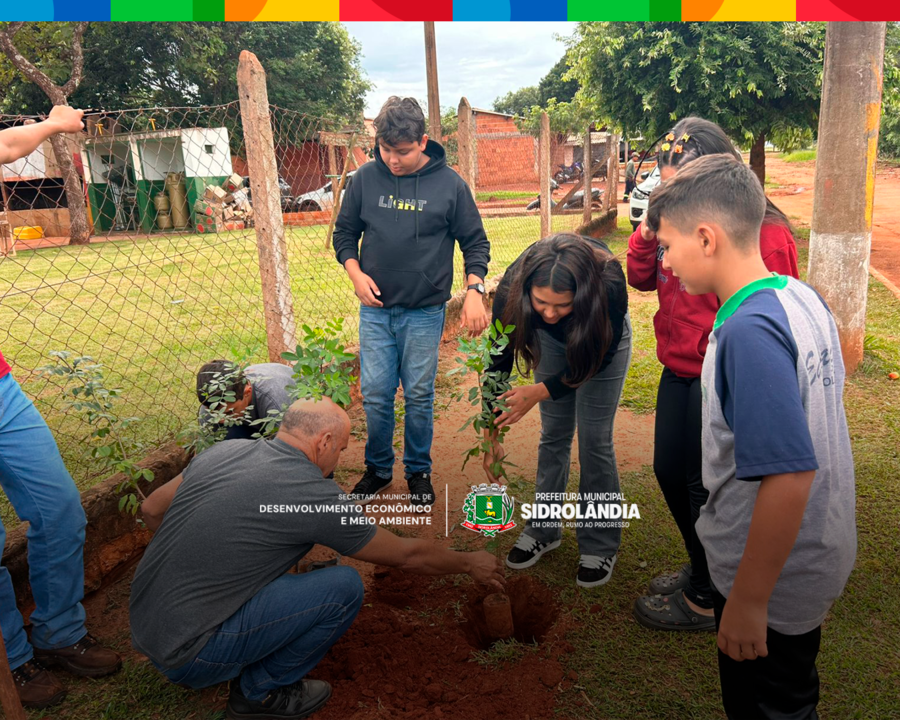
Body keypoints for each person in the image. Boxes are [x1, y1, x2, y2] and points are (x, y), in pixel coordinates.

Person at [132, 398, 504, 720]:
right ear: (324, 441)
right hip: (191, 656)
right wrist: (468, 562)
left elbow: (151, 509)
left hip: (146, 624)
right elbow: (406, 556)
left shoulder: (226, 451)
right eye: (341, 449)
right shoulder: (312, 494)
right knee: (342, 587)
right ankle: (258, 694)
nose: (340, 457)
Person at [646, 152, 855, 719]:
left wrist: (749, 600)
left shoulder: (747, 333)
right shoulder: (798, 296)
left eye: (666, 245)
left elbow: (789, 474)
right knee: (790, 695)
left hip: (773, 579)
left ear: (707, 238)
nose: (664, 263)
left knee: (768, 708)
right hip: (811, 555)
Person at [628, 117, 800, 632]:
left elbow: (775, 318)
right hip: (677, 370)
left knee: (707, 486)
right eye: (664, 187)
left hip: (719, 376)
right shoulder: (672, 225)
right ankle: (704, 566)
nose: (669, 200)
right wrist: (646, 231)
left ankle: (710, 593)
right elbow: (640, 278)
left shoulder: (765, 235)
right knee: (669, 473)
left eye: (679, 188)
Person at [0, 106, 122, 710]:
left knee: (60, 509)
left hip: (0, 390)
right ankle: (12, 665)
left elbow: (6, 143)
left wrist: (52, 124)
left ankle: (58, 636)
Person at [333, 96, 490, 510]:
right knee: (377, 392)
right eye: (384, 150)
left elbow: (475, 243)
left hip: (424, 311)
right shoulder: (365, 179)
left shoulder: (450, 185)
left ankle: (418, 471)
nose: (392, 160)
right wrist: (355, 274)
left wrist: (475, 291)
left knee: (419, 393)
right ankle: (378, 469)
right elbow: (344, 235)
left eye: (401, 152)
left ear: (422, 142)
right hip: (376, 311)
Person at [482, 233, 631, 588]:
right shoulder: (510, 291)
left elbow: (599, 358)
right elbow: (497, 361)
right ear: (527, 289)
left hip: (599, 340)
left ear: (581, 295)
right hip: (551, 346)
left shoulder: (608, 285)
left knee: (595, 442)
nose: (549, 313)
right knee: (554, 436)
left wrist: (540, 390)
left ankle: (599, 544)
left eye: (561, 305)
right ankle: (544, 530)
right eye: (541, 303)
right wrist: (490, 435)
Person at [196, 360, 295, 441]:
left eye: (229, 412)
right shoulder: (208, 409)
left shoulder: (276, 403)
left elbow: (289, 452)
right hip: (251, 427)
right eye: (215, 413)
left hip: (292, 428)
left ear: (247, 392)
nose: (220, 419)